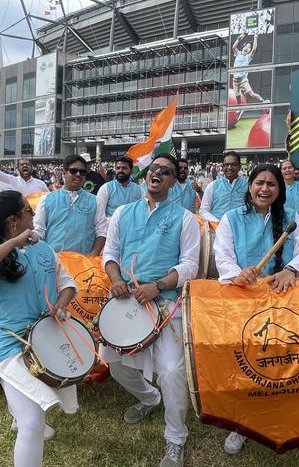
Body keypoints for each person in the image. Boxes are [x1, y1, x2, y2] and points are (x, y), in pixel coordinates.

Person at [0, 190, 77, 467]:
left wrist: (61, 302)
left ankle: (19, 415)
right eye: (28, 211)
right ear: (14, 220)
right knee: (33, 422)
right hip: (10, 348)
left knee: (33, 410)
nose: (33, 215)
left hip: (46, 341)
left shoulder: (43, 248)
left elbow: (68, 284)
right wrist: (13, 243)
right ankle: (23, 420)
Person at [101, 153, 199, 467]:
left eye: (166, 171)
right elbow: (110, 252)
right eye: (154, 168)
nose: (158, 173)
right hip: (127, 299)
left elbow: (189, 266)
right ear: (146, 175)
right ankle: (149, 398)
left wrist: (156, 286)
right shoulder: (122, 213)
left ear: (173, 180)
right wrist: (116, 280)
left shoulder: (185, 218)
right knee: (114, 364)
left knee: (170, 372)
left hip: (166, 302)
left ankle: (175, 439)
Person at [213, 164, 299, 454]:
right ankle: (242, 421)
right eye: (260, 182)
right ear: (250, 186)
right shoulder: (231, 218)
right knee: (244, 359)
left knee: (277, 357)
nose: (265, 189)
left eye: (272, 184)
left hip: (280, 296)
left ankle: (275, 408)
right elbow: (222, 255)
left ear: (279, 190)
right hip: (241, 296)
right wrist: (237, 274)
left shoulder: (292, 219)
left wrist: (291, 270)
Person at [33, 154, 107, 256]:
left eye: (82, 172)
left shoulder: (95, 201)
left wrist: (93, 254)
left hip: (84, 263)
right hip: (54, 262)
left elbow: (102, 231)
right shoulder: (46, 200)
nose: (78, 174)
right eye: (73, 171)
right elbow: (39, 230)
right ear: (64, 173)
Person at [200, 151, 248, 222]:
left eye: (233, 164)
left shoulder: (248, 185)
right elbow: (204, 209)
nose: (229, 167)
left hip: (242, 228)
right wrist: (217, 222)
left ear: (239, 167)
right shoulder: (213, 186)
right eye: (226, 165)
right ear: (222, 167)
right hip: (218, 229)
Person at [231, 32, 266, 106]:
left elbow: (254, 49)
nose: (247, 48)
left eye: (249, 47)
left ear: (250, 50)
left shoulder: (248, 57)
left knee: (252, 94)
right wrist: (241, 36)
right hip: (235, 81)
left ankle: (264, 101)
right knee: (237, 97)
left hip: (243, 80)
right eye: (246, 46)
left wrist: (255, 38)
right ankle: (239, 108)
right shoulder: (238, 53)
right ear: (243, 47)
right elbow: (234, 47)